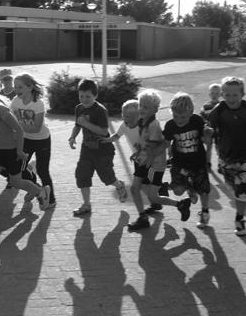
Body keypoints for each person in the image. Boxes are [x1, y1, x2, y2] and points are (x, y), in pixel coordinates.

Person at [0, 74, 50, 233]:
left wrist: (20, 151)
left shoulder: (2, 110)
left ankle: (41, 191)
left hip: (13, 151)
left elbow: (19, 131)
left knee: (16, 182)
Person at [207, 76, 246, 236]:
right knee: (231, 183)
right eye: (227, 95)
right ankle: (242, 190)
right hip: (226, 155)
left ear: (243, 94)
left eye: (235, 95)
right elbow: (208, 125)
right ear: (222, 94)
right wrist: (207, 132)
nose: (231, 98)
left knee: (241, 190)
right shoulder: (219, 109)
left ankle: (240, 219)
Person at [126, 89, 191, 231]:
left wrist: (145, 164)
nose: (141, 109)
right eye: (140, 105)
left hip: (154, 165)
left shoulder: (153, 125)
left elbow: (154, 148)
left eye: (146, 107)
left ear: (155, 109)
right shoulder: (143, 121)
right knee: (140, 190)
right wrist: (137, 152)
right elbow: (145, 143)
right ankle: (147, 215)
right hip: (146, 162)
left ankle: (176, 205)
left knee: (144, 192)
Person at [68, 78, 127, 217]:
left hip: (103, 150)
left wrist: (86, 124)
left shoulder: (100, 110)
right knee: (82, 175)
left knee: (107, 177)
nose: (84, 99)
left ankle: (119, 185)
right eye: (81, 96)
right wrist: (72, 137)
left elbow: (103, 131)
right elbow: (77, 125)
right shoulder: (79, 108)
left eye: (88, 96)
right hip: (86, 148)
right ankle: (86, 204)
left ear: (95, 95)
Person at [163, 92, 212, 228]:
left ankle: (204, 213)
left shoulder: (197, 120)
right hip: (179, 163)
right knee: (178, 191)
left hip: (197, 162)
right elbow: (165, 142)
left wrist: (208, 135)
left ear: (191, 112)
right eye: (175, 116)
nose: (179, 120)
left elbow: (205, 140)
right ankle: (190, 190)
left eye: (183, 117)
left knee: (203, 190)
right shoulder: (170, 125)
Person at [10, 72, 56, 208]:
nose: (16, 90)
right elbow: (9, 118)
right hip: (25, 140)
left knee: (43, 171)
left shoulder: (38, 104)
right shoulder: (15, 101)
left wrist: (17, 127)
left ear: (30, 88)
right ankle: (36, 190)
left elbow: (36, 128)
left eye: (20, 87)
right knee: (20, 169)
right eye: (15, 87)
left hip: (42, 140)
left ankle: (51, 200)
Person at [200, 83, 222, 166]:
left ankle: (220, 163)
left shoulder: (221, 105)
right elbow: (201, 117)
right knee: (209, 146)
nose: (214, 95)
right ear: (209, 94)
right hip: (208, 129)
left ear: (220, 94)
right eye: (212, 93)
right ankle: (207, 162)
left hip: (218, 129)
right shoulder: (206, 106)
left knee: (218, 147)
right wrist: (204, 124)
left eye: (217, 93)